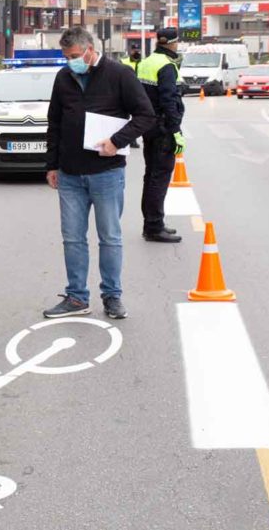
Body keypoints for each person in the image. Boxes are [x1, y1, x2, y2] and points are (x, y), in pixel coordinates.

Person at [43, 27, 155, 321]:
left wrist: (116, 141)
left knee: (109, 237)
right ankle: (77, 297)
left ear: (90, 49)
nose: (71, 62)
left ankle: (112, 296)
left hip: (106, 172)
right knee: (73, 238)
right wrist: (51, 165)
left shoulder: (119, 75)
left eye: (76, 56)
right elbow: (54, 122)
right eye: (66, 57)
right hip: (69, 173)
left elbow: (145, 115)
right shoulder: (64, 78)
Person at [137, 27, 186, 244]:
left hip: (148, 126)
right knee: (160, 177)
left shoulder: (146, 62)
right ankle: (154, 226)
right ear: (174, 44)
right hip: (163, 128)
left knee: (151, 175)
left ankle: (151, 223)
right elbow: (169, 101)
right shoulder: (167, 66)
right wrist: (176, 130)